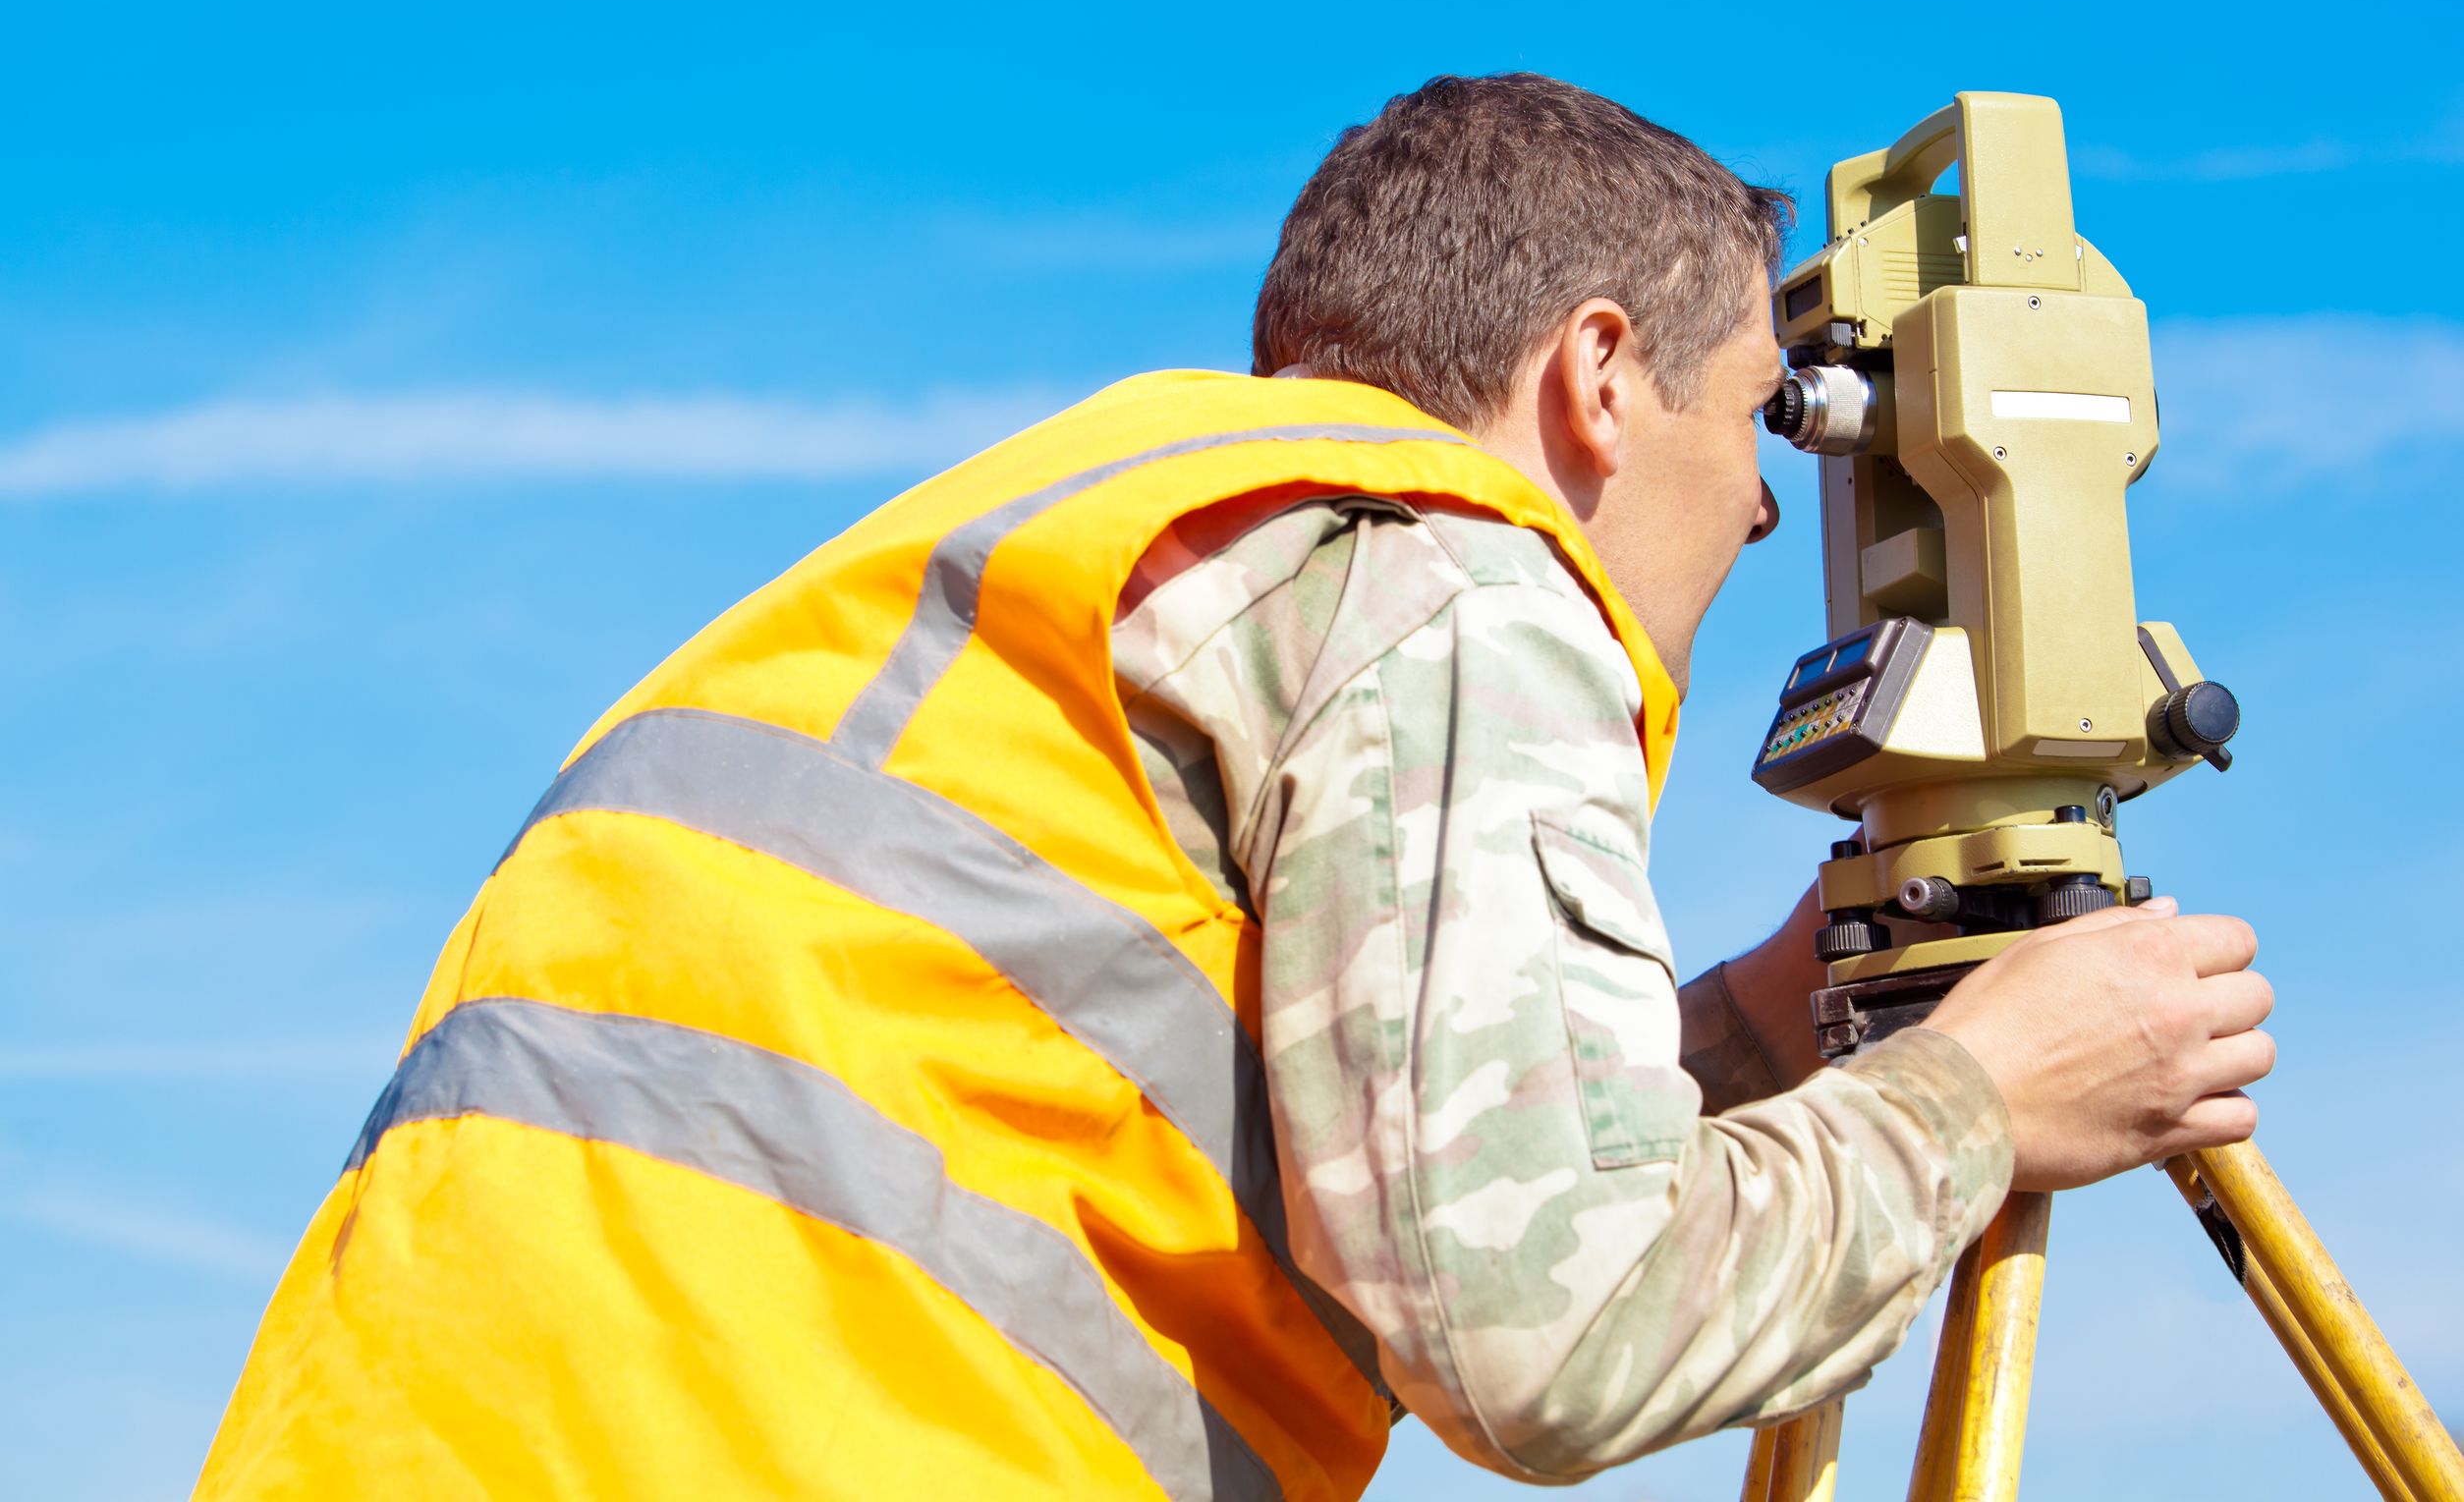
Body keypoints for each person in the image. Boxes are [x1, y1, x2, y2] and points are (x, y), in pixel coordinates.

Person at [196, 75, 2272, 1500]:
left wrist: (1739, 1021)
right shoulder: (1456, 570)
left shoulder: (1095, 540)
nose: (1754, 508)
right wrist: (1982, 1092)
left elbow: (1188, 1110)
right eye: (1750, 443)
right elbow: (1547, 1336)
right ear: (1599, 372)